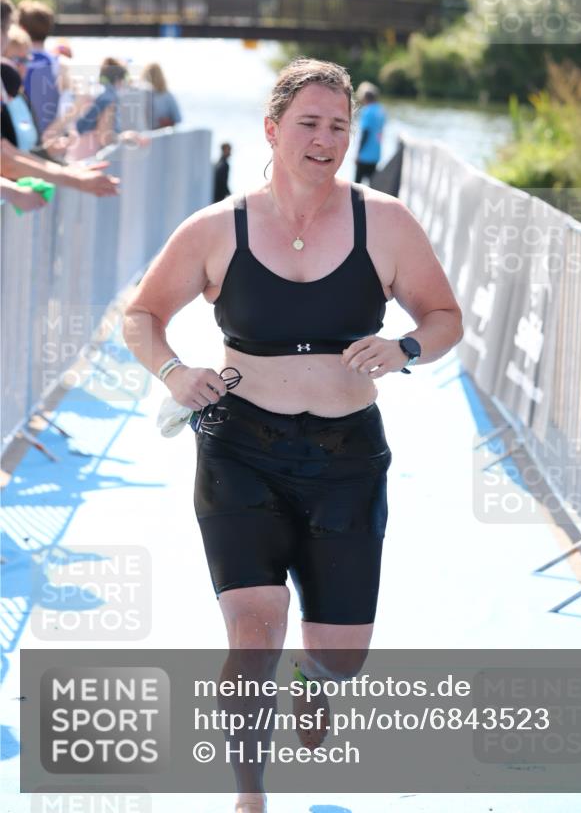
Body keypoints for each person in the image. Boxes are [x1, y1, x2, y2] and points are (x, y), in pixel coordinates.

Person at [122, 57, 463, 813]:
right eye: (308, 123)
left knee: (342, 654)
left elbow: (445, 318)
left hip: (347, 460)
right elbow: (140, 317)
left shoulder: (387, 222)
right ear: (272, 130)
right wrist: (176, 372)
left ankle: (315, 681)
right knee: (252, 631)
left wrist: (404, 348)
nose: (325, 139)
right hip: (239, 450)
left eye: (338, 125)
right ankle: (250, 794)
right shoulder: (217, 227)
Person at [17, 0, 61, 136]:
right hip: (48, 136)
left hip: (20, 135)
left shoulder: (15, 62)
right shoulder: (57, 63)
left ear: (21, 28)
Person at [354, 81, 386, 184]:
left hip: (365, 155)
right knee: (372, 183)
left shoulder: (367, 111)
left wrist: (358, 153)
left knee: (356, 184)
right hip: (376, 153)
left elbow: (365, 133)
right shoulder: (381, 110)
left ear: (365, 98)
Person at [140, 62, 182, 129]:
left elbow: (178, 119)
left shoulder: (167, 96)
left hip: (158, 134)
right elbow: (178, 119)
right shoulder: (168, 96)